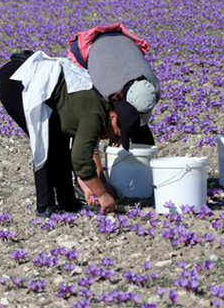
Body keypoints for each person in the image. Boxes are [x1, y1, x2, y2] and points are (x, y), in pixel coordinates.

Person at [0, 50, 145, 216]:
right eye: (116, 134)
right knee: (47, 144)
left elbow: (79, 152)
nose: (111, 138)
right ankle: (46, 206)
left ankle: (68, 202)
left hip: (44, 87)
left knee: (59, 143)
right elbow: (80, 159)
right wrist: (102, 194)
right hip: (16, 81)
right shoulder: (94, 115)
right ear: (114, 118)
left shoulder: (100, 108)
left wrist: (89, 187)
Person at [67, 23, 160, 198]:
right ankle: (83, 181)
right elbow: (90, 132)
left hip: (120, 52)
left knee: (135, 127)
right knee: (88, 125)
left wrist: (122, 134)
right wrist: (99, 181)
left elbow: (136, 118)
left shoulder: (151, 88)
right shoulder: (103, 89)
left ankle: (147, 170)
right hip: (87, 53)